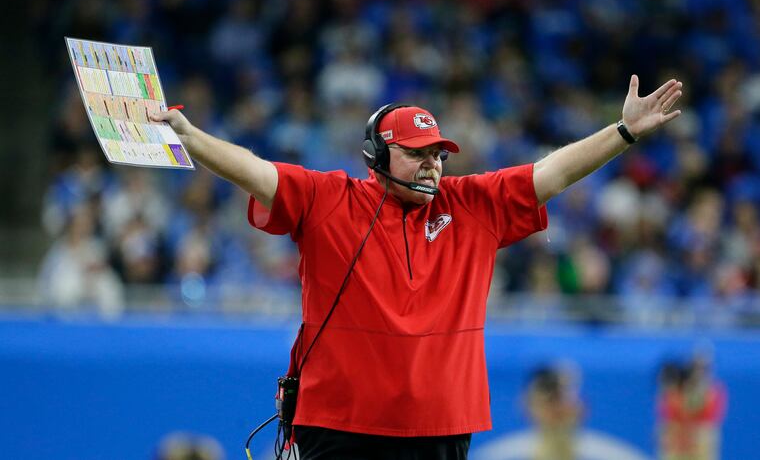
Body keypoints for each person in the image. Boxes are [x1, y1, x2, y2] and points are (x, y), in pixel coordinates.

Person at [150, 75, 682, 460]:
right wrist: (190, 137)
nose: (432, 165)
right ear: (376, 156)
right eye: (417, 153)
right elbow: (257, 173)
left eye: (438, 155)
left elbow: (552, 173)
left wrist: (623, 132)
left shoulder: (472, 204)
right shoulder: (330, 198)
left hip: (440, 427)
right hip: (341, 424)